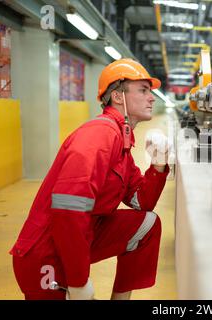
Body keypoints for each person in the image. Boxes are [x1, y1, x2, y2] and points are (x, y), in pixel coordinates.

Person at [10, 59, 170, 300]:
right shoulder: (100, 135)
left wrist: (158, 165)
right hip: (46, 256)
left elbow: (141, 202)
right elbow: (68, 209)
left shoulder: (122, 140)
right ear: (118, 96)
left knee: (147, 224)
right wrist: (78, 281)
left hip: (80, 241)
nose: (152, 97)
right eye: (143, 90)